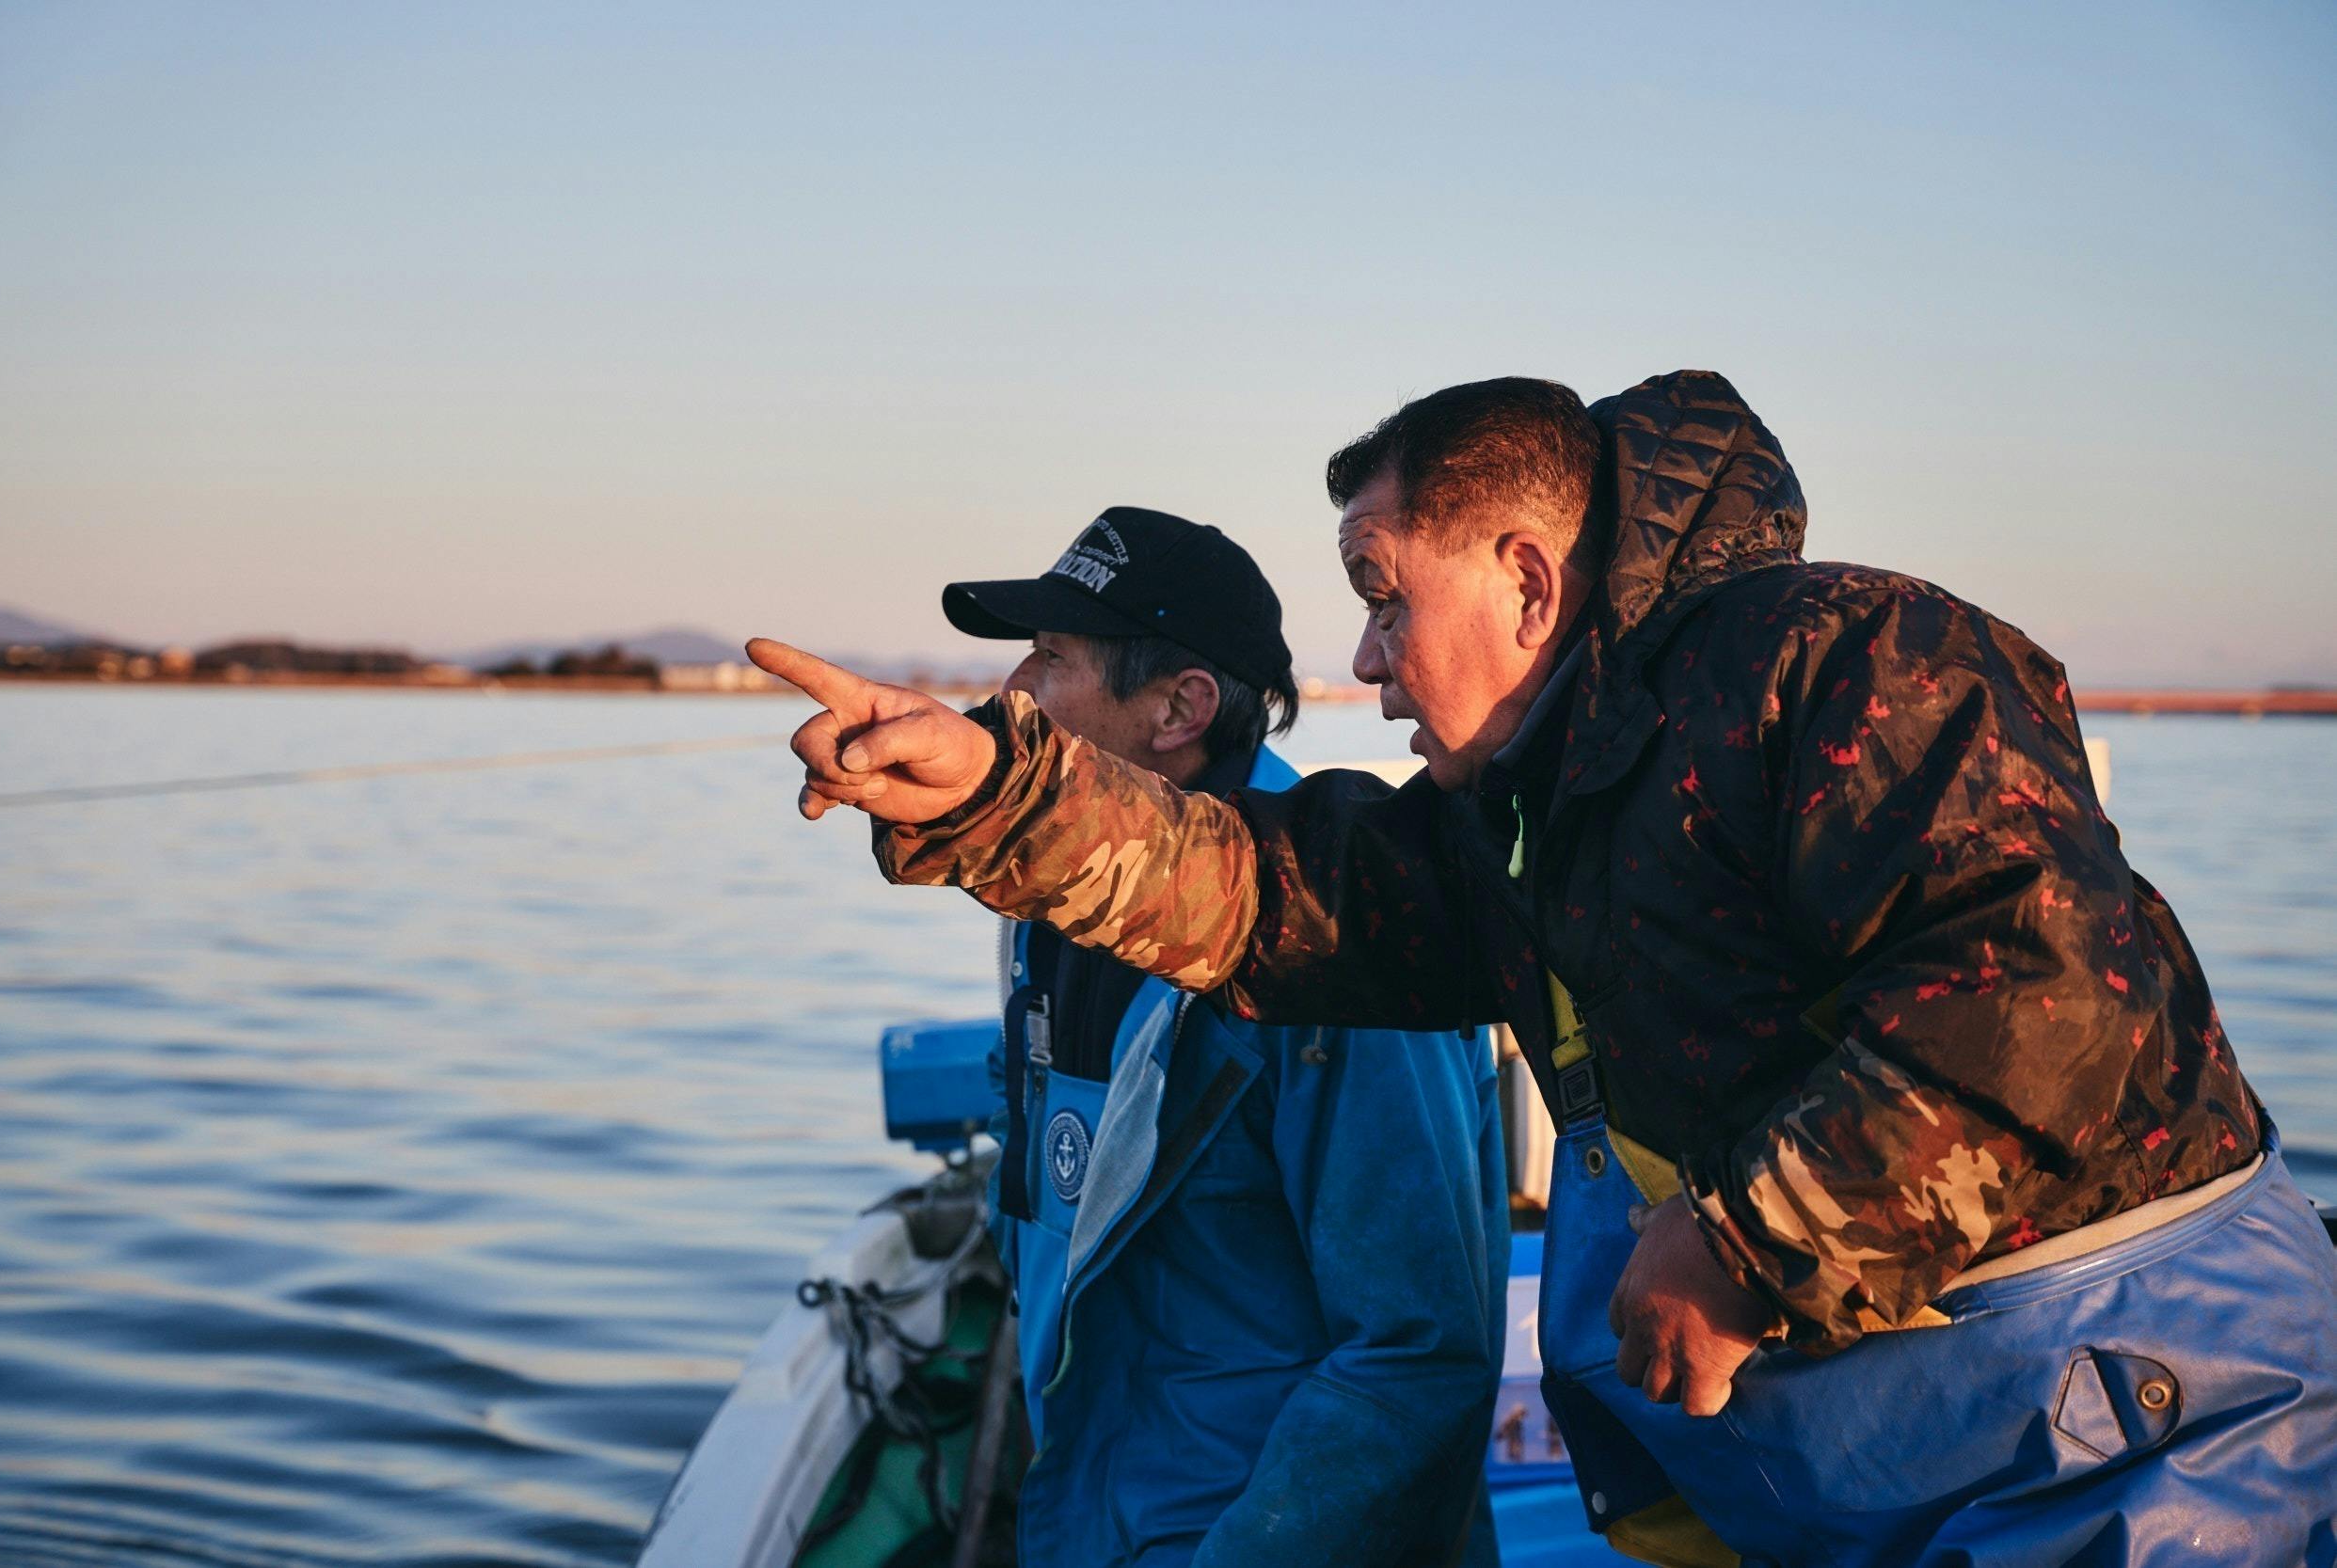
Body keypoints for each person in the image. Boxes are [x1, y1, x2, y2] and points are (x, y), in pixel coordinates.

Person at [756, 372, 2337, 1567]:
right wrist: (992, 789)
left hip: (2139, 1441)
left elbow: (2050, 983)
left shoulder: (1841, 658)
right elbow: (1268, 890)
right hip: (1882, 1465)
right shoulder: (1516, 822)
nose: (1364, 662)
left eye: (1384, 597)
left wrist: (1753, 1244)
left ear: (1526, 577)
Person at [940, 506, 1511, 1567]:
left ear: (1178, 707)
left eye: (1052, 655)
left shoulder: (1337, 945)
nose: (1013, 684)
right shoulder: (1050, 912)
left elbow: (1419, 1352)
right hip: (1088, 1510)